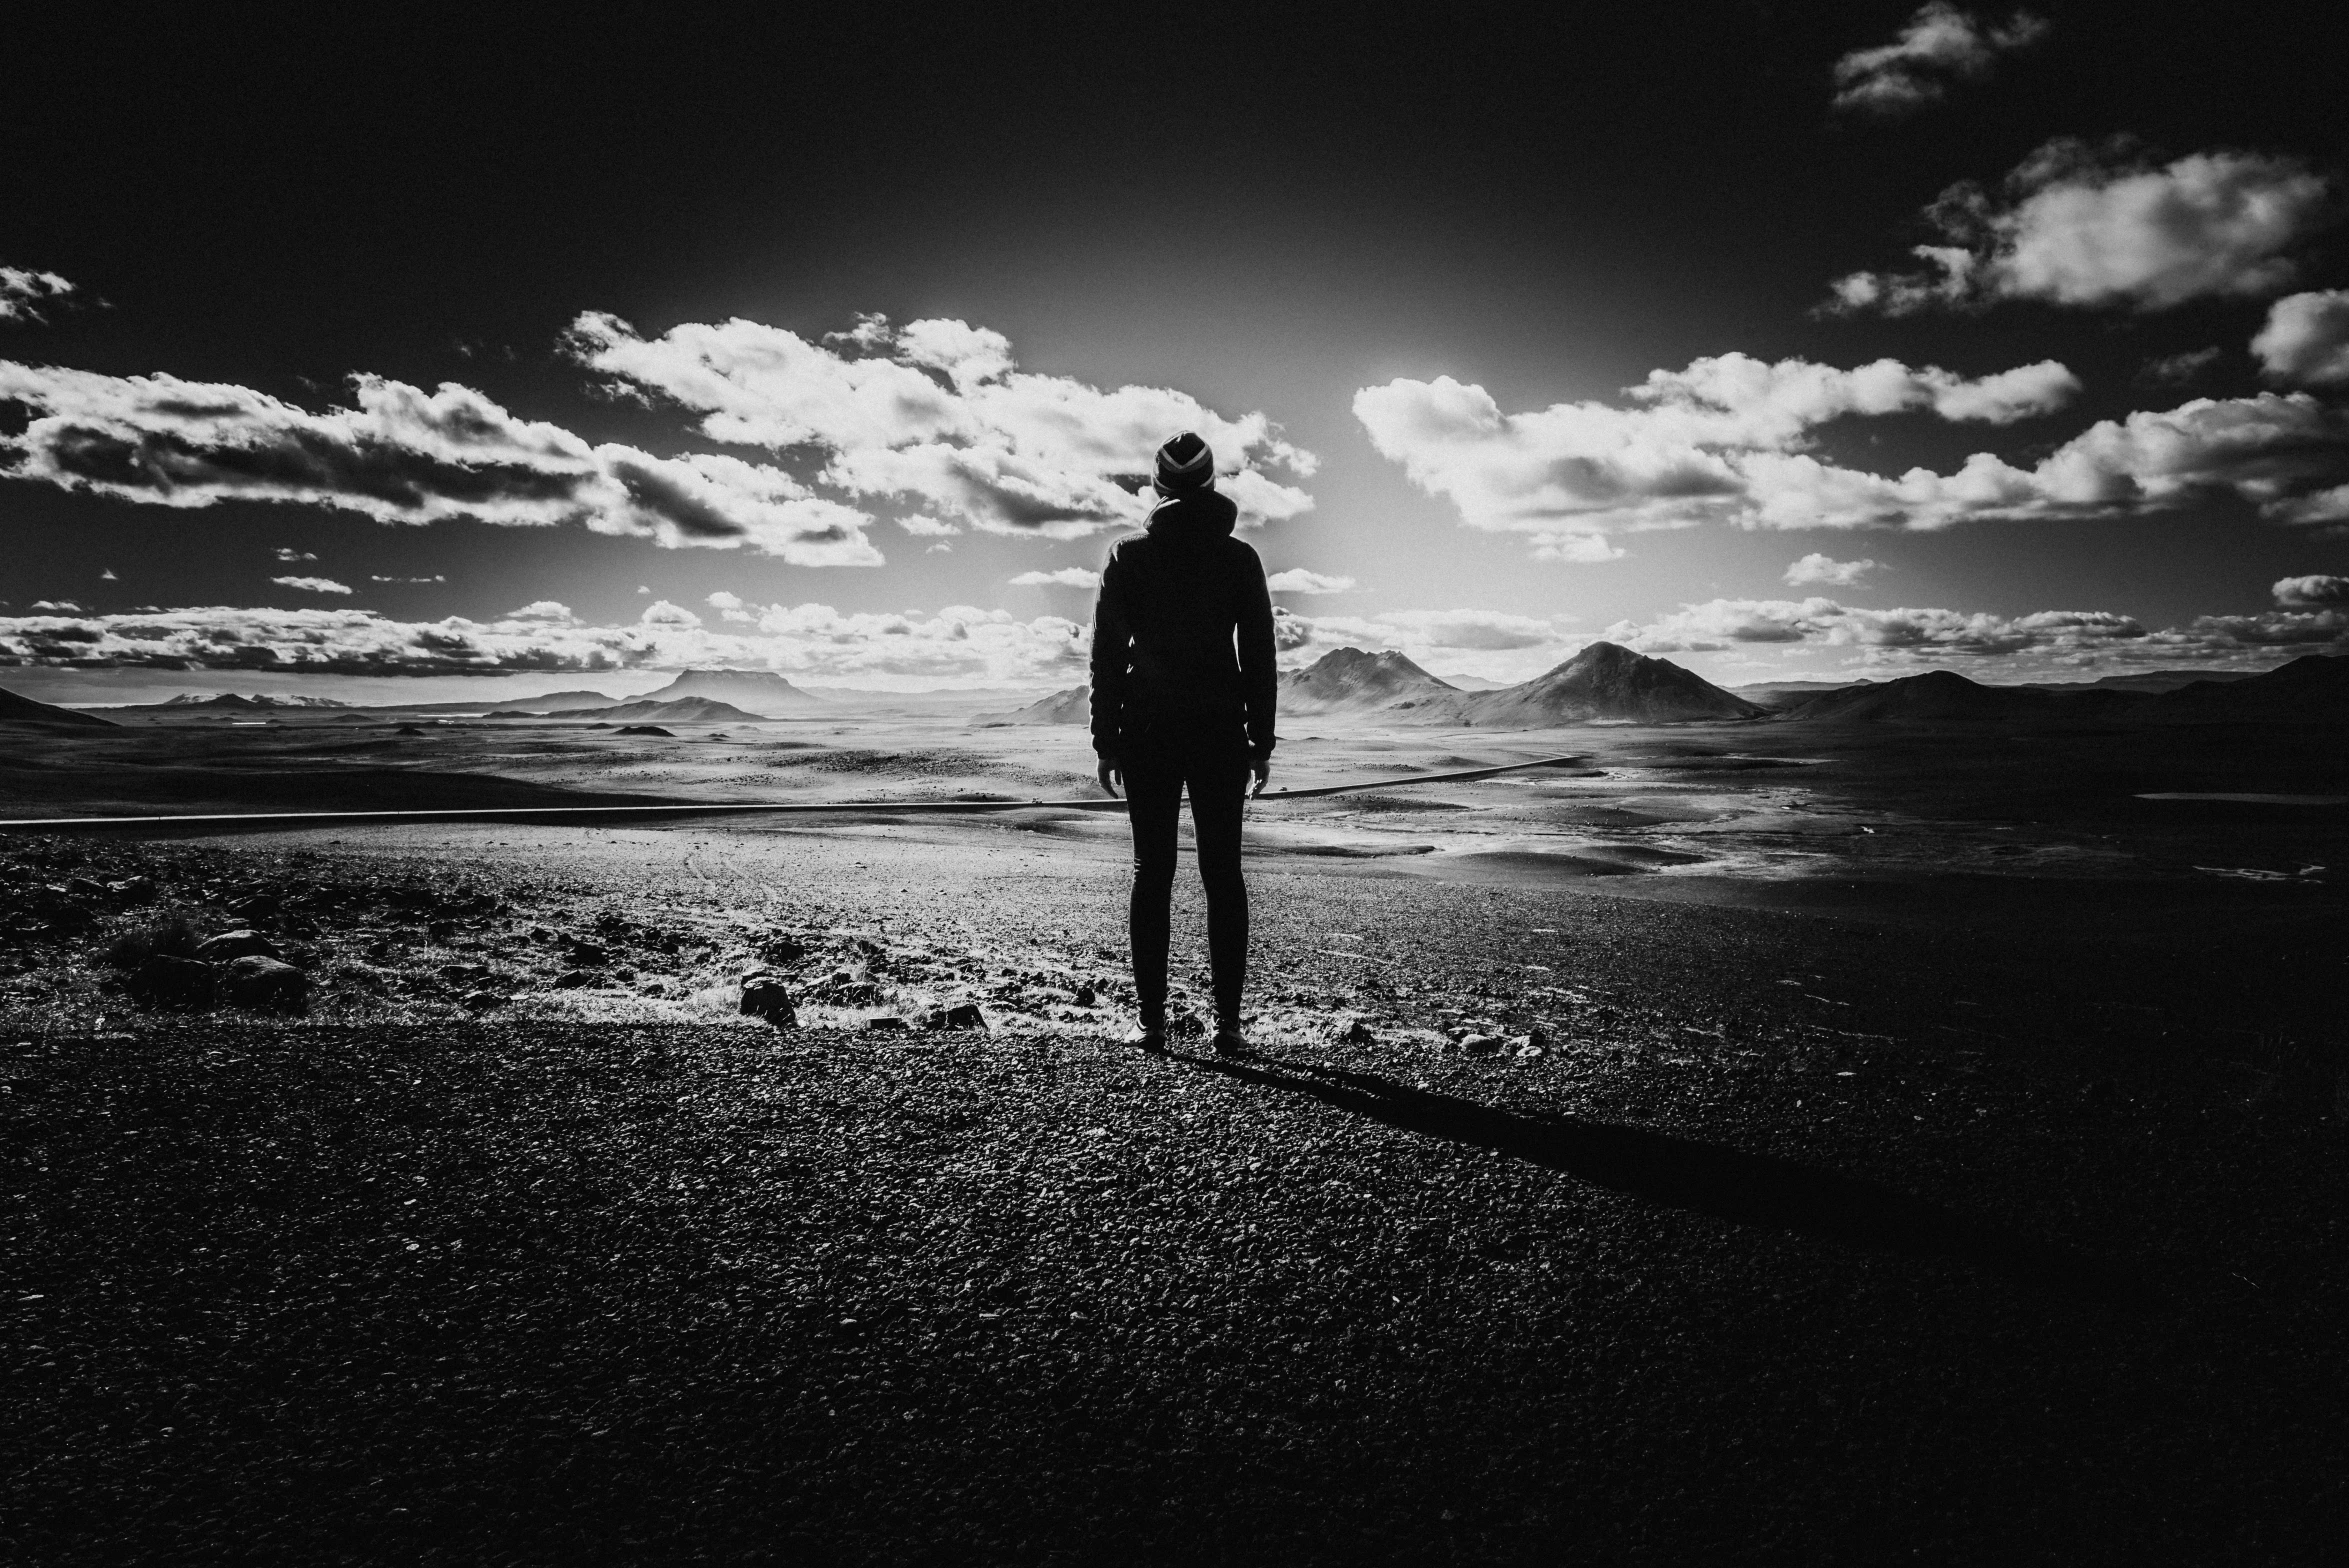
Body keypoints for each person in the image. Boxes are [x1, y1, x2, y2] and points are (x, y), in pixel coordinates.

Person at [1090, 431, 1277, 1056]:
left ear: (1159, 486)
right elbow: (1258, 655)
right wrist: (1261, 742)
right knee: (1223, 875)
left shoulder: (1128, 557)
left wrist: (1106, 740)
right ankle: (1228, 1027)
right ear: (1212, 483)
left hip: (1147, 734)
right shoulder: (1239, 559)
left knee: (1153, 872)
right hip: (1221, 735)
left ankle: (1152, 1025)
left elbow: (1108, 655)